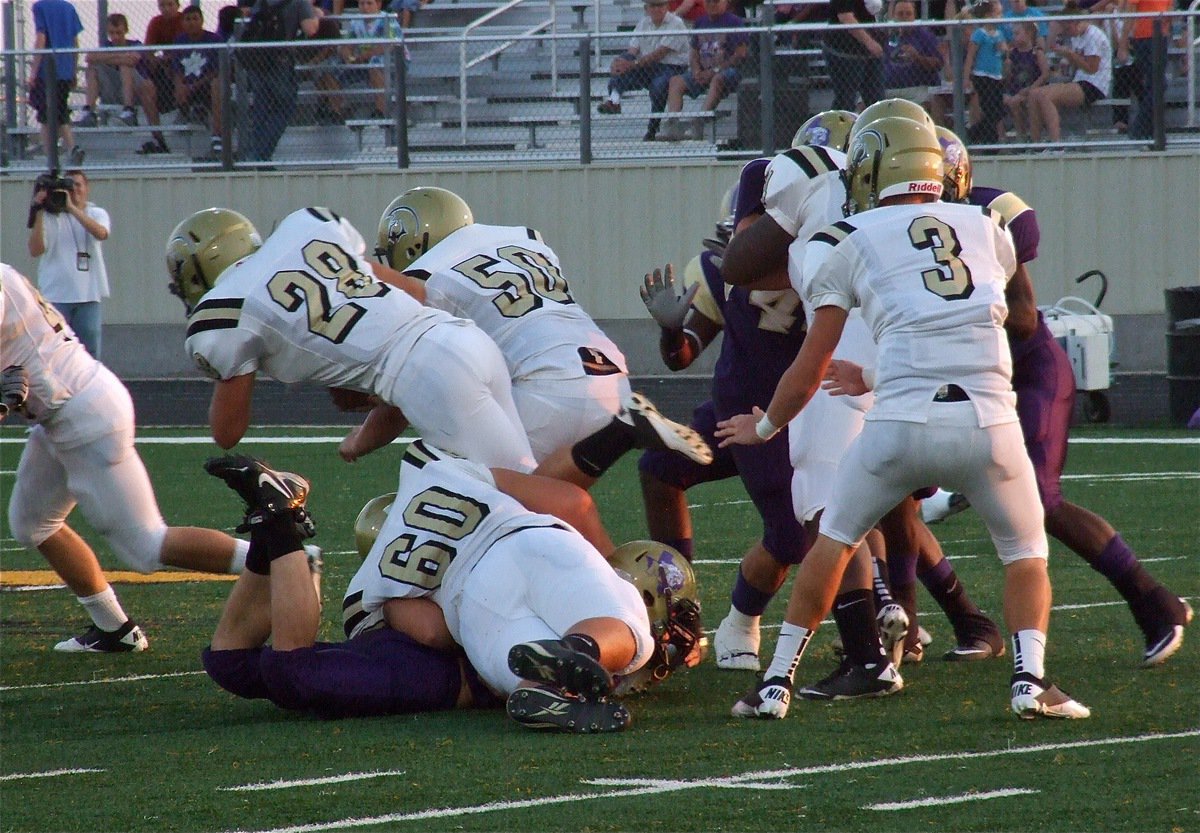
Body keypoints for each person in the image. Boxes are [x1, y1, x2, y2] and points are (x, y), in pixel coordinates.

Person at [717, 115, 1091, 721]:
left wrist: (765, 427)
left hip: (897, 426)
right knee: (1025, 555)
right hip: (989, 427)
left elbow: (813, 362)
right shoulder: (988, 225)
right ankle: (1030, 681)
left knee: (833, 542)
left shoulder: (844, 236)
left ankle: (775, 684)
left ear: (866, 167)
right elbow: (991, 320)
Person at [923, 128, 1193, 667]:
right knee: (899, 492)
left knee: (1039, 502)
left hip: (1029, 374)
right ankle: (907, 629)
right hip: (973, 380)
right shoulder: (898, 225)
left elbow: (1023, 315)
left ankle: (1154, 603)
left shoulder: (985, 217)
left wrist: (957, 306)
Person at [0, 265, 264, 653]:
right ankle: (115, 628)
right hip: (61, 413)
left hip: (81, 413)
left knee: (146, 545)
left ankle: (285, 557)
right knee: (32, 523)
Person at [373, 187, 712, 487]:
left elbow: (410, 381)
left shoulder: (428, 276)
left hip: (546, 386)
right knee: (549, 506)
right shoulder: (523, 243)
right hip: (610, 377)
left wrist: (360, 440)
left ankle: (622, 432)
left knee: (470, 493)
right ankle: (619, 434)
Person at [167, 205, 537, 472]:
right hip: (464, 339)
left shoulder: (222, 312)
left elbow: (227, 432)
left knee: (519, 499)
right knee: (515, 483)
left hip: (429, 374)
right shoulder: (307, 225)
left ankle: (591, 571)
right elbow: (417, 294)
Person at [340, 440, 657, 733]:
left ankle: (540, 690)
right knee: (629, 631)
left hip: (474, 600)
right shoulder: (431, 468)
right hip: (528, 542)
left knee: (525, 673)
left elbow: (431, 632)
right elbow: (571, 500)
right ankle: (577, 647)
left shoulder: (368, 586)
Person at [635, 162, 810, 675]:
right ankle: (679, 610)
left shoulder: (824, 258)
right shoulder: (717, 267)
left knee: (791, 534)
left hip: (803, 413)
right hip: (737, 411)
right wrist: (671, 331)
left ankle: (742, 620)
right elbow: (684, 353)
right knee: (659, 467)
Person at [27, 169, 109, 359]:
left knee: (90, 353)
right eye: (70, 186)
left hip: (88, 295)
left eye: (78, 185)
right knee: (56, 353)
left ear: (86, 188)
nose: (74, 190)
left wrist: (72, 208)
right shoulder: (51, 216)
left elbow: (101, 233)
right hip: (55, 297)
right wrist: (39, 211)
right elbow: (35, 250)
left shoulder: (96, 213)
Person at [75, 13, 171, 157]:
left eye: (119, 33)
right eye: (112, 33)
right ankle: (89, 111)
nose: (115, 37)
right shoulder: (106, 46)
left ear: (125, 30)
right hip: (113, 91)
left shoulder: (136, 44)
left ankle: (129, 111)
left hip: (135, 92)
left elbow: (132, 60)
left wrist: (108, 58)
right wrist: (119, 57)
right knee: (93, 68)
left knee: (126, 67)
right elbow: (89, 57)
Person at [596, 0, 690, 143]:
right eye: (653, 6)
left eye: (660, 5)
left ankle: (652, 128)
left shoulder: (676, 23)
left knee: (659, 86)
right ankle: (614, 100)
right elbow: (633, 50)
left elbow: (660, 54)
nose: (657, 9)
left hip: (671, 67)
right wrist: (621, 61)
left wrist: (631, 63)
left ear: (667, 7)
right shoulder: (643, 23)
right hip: (646, 66)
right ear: (646, 8)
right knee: (621, 64)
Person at [238, 0, 320, 162]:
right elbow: (310, 29)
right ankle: (260, 156)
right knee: (285, 107)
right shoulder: (299, 2)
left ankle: (253, 155)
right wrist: (315, 15)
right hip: (280, 61)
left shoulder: (261, 2)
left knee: (261, 110)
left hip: (257, 60)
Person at [660, 0, 748, 141]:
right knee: (676, 81)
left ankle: (699, 121)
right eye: (708, 1)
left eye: (716, 1)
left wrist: (714, 71)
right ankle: (673, 124)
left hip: (727, 72)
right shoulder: (700, 22)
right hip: (703, 71)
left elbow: (740, 53)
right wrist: (696, 71)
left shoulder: (735, 22)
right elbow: (694, 52)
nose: (712, 4)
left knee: (718, 78)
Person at [1027, 1, 1111, 144]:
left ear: (1075, 23)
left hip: (1094, 84)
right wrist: (1067, 57)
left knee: (1045, 96)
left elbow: (1092, 69)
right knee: (1034, 93)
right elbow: (1077, 63)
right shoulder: (1077, 36)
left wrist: (1070, 54)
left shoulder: (1093, 35)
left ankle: (1056, 143)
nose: (1066, 32)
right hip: (1080, 80)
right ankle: (1035, 143)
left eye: (1067, 28)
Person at [28, 0, 85, 166]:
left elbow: (41, 39)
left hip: (47, 71)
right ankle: (57, 153)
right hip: (65, 69)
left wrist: (33, 71)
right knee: (52, 112)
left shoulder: (40, 7)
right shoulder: (68, 8)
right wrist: (73, 70)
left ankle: (65, 150)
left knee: (50, 113)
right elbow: (75, 42)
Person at [171, 6, 226, 157]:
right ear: (183, 22)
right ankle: (185, 112)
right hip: (187, 87)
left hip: (205, 85)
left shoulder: (214, 40)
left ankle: (217, 137)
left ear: (202, 20)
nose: (191, 22)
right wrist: (180, 85)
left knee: (216, 84)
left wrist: (194, 86)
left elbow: (217, 70)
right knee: (177, 84)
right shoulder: (179, 41)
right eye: (187, 19)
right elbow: (177, 69)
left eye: (195, 18)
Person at [341, 0, 403, 119]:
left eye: (369, 3)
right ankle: (336, 112)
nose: (365, 7)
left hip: (395, 61)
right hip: (364, 61)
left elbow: (390, 45)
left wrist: (365, 56)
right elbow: (346, 45)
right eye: (361, 4)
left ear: (378, 5)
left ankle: (382, 112)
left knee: (375, 63)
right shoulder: (355, 21)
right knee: (335, 67)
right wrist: (348, 56)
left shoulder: (387, 19)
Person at [823, 0, 885, 113]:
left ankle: (876, 128)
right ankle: (839, 129)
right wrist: (869, 42)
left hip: (871, 53)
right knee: (845, 100)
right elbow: (845, 17)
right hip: (844, 52)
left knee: (876, 100)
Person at [963, 0, 1009, 143]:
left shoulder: (1000, 34)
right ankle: (977, 136)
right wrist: (966, 77)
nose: (1000, 17)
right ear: (989, 15)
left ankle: (979, 137)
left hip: (996, 76)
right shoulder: (979, 34)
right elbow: (971, 56)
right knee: (990, 109)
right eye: (998, 14)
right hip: (982, 76)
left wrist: (1004, 51)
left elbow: (1004, 55)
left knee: (997, 111)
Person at [883, 0, 944, 107]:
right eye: (900, 14)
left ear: (914, 16)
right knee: (862, 102)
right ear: (893, 16)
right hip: (887, 89)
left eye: (908, 14)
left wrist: (917, 57)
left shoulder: (925, 36)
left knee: (928, 101)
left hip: (917, 89)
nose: (904, 17)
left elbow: (938, 64)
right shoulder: (885, 35)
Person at [1125, 0, 1171, 140]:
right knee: (1157, 83)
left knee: (1156, 84)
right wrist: (1123, 42)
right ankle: (1140, 128)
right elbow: (1130, 11)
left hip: (1160, 36)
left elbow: (1168, 11)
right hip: (1144, 37)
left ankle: (1147, 129)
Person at [1003, 20, 1050, 139]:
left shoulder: (1036, 52)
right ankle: (1010, 136)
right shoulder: (1012, 54)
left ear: (1028, 34)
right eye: (1013, 34)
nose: (1014, 37)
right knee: (1007, 99)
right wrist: (1007, 66)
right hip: (1015, 90)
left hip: (1032, 89)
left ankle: (1022, 135)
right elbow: (1007, 78)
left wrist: (1031, 89)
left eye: (1017, 33)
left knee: (1015, 101)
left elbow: (1045, 74)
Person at [144, 0, 185, 117]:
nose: (166, 9)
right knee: (153, 70)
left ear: (178, 5)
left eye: (170, 4)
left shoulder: (184, 20)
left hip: (182, 61)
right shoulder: (156, 22)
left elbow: (183, 50)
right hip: (164, 62)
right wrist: (155, 61)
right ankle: (162, 108)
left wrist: (167, 59)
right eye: (162, 5)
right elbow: (148, 49)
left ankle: (180, 108)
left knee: (175, 69)